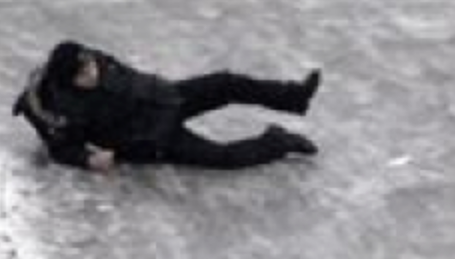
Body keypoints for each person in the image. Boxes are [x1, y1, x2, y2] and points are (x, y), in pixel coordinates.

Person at [12, 41, 320, 172]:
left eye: (90, 64)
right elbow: (60, 148)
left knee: (225, 83)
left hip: (165, 98)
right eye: (83, 74)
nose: (93, 72)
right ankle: (278, 142)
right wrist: (89, 159)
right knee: (223, 157)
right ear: (68, 81)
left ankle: (293, 97)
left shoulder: (88, 57)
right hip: (152, 139)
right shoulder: (60, 109)